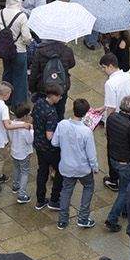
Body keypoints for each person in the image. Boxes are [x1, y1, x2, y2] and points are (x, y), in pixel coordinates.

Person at [53, 96, 99, 230]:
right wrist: (95, 167)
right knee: (88, 187)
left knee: (66, 190)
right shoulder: (86, 131)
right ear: (85, 113)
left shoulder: (62, 124)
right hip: (83, 168)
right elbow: (91, 154)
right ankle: (83, 218)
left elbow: (54, 142)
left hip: (66, 166)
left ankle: (62, 220)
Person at [102, 95, 130, 231]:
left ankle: (126, 210)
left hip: (113, 158)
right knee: (125, 190)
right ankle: (112, 219)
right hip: (126, 163)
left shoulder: (112, 117)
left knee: (125, 188)